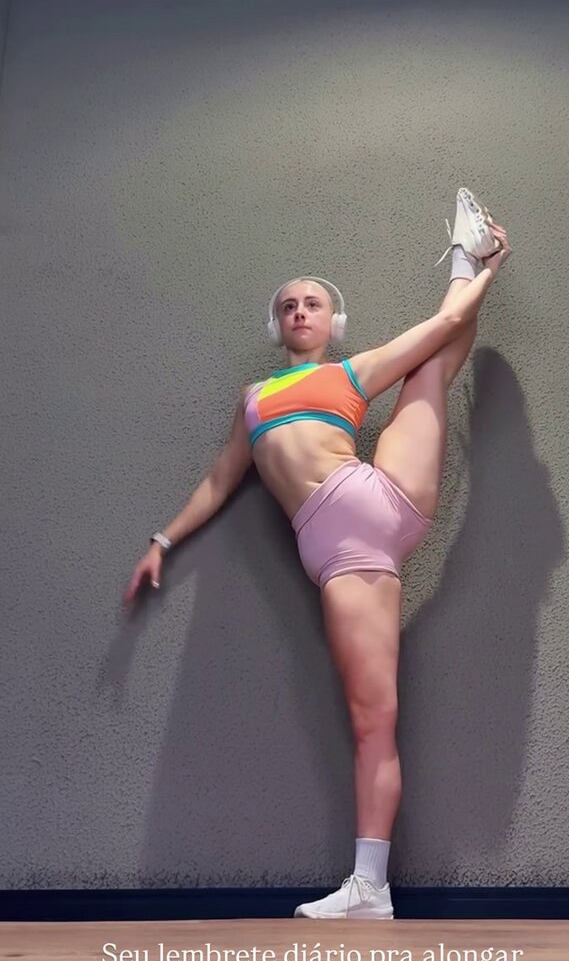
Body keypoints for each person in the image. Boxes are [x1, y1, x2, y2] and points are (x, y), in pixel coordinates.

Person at [123, 187, 511, 919]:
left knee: (430, 362)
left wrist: (490, 271)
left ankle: (470, 254)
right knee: (371, 715)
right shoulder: (253, 398)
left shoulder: (350, 373)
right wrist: (162, 541)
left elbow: (448, 324)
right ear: (276, 324)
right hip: (341, 546)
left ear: (334, 322)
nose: (301, 311)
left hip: (379, 494)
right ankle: (371, 888)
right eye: (290, 306)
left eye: (314, 304)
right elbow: (221, 479)